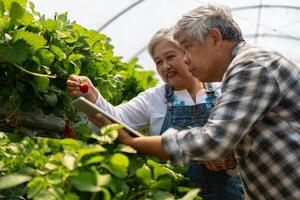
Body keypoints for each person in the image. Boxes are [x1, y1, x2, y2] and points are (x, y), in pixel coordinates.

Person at [89, 4, 300, 200]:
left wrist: (134, 143)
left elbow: (212, 141)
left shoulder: (250, 67)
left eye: (187, 49)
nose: (186, 59)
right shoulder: (247, 66)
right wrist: (93, 99)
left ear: (214, 39)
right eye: (158, 62)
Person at [67, 27, 245, 200]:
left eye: (170, 57)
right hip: (173, 194)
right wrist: (92, 95)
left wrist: (231, 158)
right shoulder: (154, 98)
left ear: (187, 54)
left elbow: (247, 135)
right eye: (158, 62)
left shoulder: (222, 90)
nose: (165, 66)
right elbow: (116, 119)